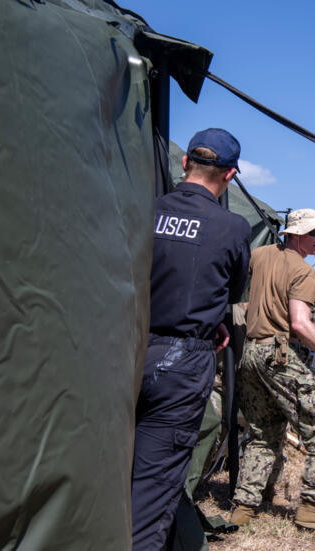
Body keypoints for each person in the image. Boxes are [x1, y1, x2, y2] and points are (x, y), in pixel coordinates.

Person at [131, 128, 251, 550]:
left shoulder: (144, 210)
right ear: (230, 176)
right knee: (153, 490)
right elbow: (231, 292)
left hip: (123, 350)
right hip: (183, 362)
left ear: (184, 163)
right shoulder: (234, 228)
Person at [230, 208, 315, 532]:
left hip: (249, 353)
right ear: (297, 234)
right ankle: (312, 508)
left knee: (263, 433)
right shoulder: (303, 271)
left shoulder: (259, 255)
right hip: (277, 350)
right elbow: (300, 324)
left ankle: (244, 507)